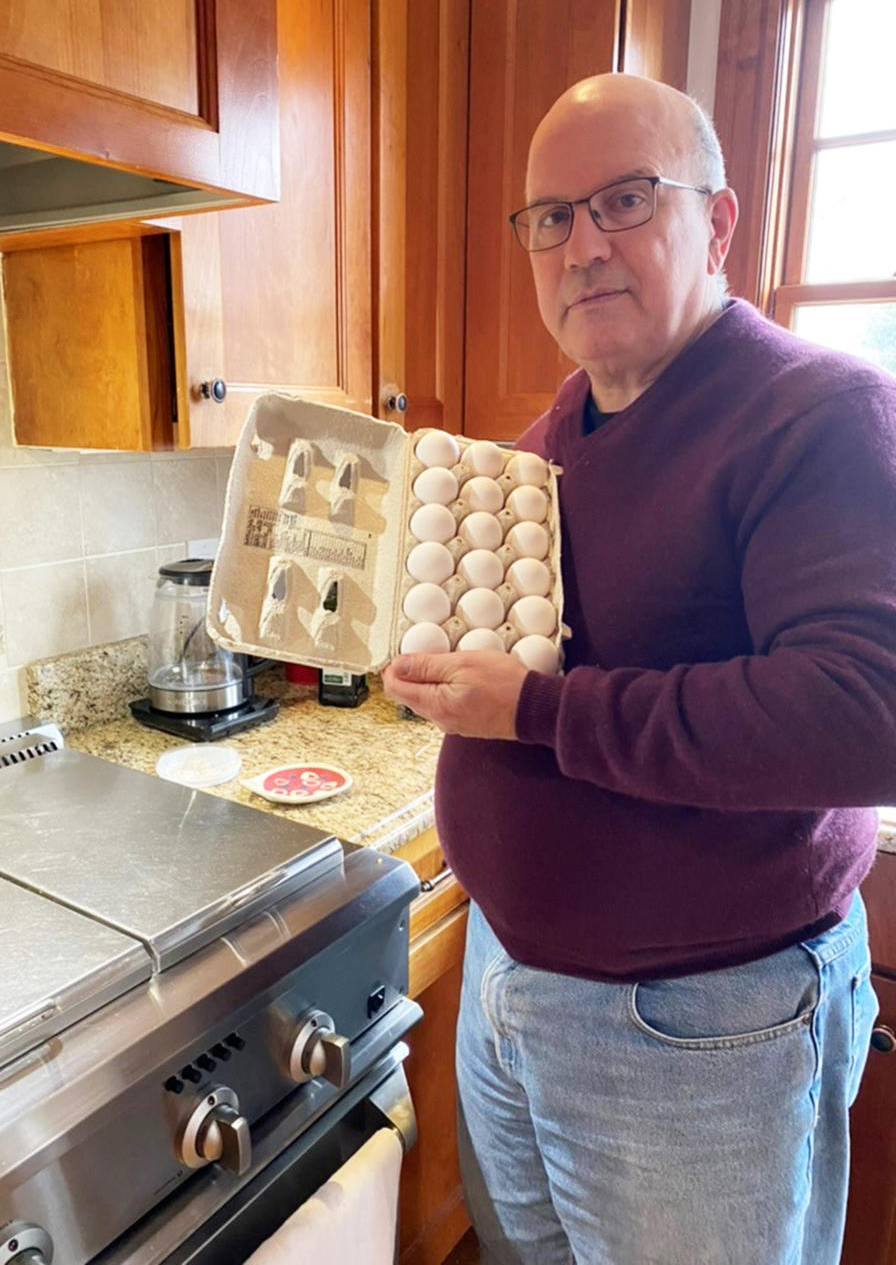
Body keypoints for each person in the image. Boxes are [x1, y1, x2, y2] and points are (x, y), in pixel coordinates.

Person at [382, 73, 896, 1265]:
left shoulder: (817, 415)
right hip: (515, 983)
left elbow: (864, 708)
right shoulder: (554, 436)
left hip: (699, 1026)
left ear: (717, 223)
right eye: (550, 218)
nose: (582, 246)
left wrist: (542, 709)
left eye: (623, 200)